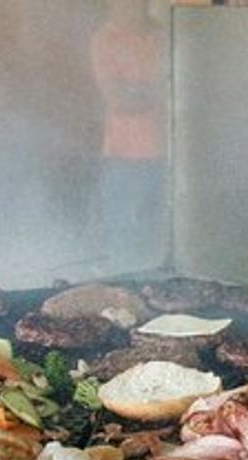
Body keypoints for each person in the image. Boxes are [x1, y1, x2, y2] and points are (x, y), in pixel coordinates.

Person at [90, 0, 165, 273]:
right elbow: (120, 100)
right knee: (121, 236)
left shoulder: (163, 34)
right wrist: (159, 89)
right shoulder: (105, 39)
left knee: (158, 234)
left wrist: (140, 89)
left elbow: (185, 84)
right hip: (123, 155)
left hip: (168, 152)